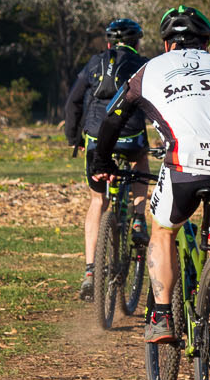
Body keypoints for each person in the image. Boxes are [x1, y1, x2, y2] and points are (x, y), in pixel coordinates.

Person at [90, 3, 210, 350]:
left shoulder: (150, 70)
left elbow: (114, 116)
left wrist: (101, 160)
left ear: (165, 45)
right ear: (207, 43)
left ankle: (160, 315)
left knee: (163, 230)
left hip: (183, 165)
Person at [63, 17, 149, 301]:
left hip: (96, 137)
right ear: (137, 43)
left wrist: (74, 137)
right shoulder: (143, 64)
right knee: (140, 159)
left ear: (109, 42)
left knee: (97, 201)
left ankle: (90, 272)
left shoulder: (94, 63)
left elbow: (74, 101)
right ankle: (138, 219)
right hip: (131, 134)